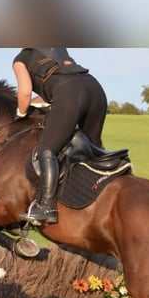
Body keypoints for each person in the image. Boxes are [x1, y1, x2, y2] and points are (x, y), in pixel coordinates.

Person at [12, 48, 108, 224]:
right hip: (95, 89)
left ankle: (46, 207)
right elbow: (49, 94)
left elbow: (25, 93)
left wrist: (20, 113)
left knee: (47, 149)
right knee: (92, 148)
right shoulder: (59, 47)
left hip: (69, 93)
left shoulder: (22, 58)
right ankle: (100, 197)